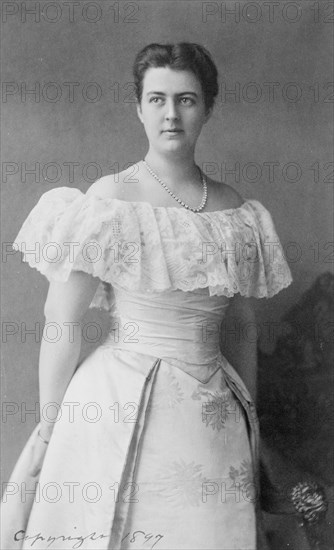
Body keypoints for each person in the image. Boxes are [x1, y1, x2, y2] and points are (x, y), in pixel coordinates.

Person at [1, 42, 293, 550]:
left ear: (208, 108)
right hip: (117, 399)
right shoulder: (110, 201)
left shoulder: (236, 211)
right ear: (138, 108)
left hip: (213, 406)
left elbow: (241, 328)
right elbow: (61, 320)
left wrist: (252, 421)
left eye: (186, 99)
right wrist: (52, 425)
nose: (171, 114)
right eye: (156, 99)